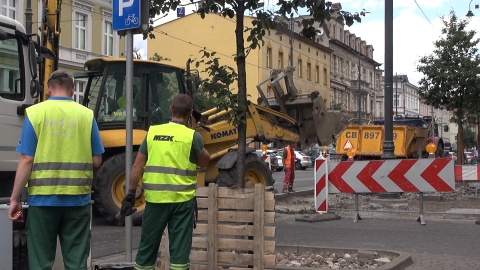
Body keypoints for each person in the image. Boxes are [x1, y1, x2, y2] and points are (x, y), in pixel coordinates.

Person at [8, 70, 104, 269]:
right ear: (72, 89)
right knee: (76, 262)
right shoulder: (86, 115)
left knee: (41, 262)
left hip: (42, 201)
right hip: (78, 200)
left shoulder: (35, 113)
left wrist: (14, 199)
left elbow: (26, 159)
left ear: (48, 89)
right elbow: (96, 160)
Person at [121, 94, 210, 270]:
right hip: (182, 202)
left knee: (147, 249)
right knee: (179, 253)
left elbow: (137, 165)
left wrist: (130, 195)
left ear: (171, 110)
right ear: (191, 113)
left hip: (156, 201)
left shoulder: (153, 132)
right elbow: (204, 162)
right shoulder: (192, 136)